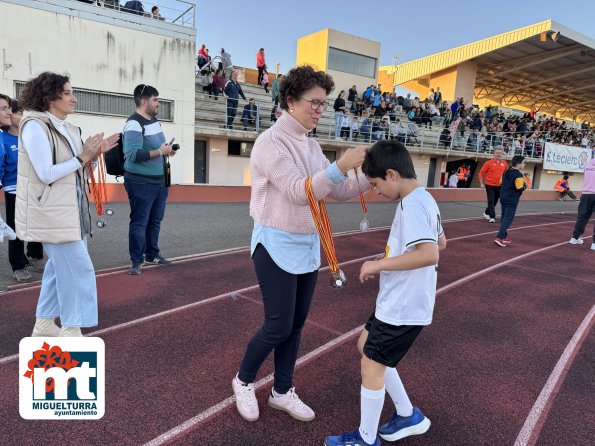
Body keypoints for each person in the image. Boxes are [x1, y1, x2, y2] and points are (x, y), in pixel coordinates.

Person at [232, 65, 368, 424]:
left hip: (308, 243)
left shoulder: (310, 144)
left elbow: (335, 190)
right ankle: (243, 380)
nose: (320, 110)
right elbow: (297, 191)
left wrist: (372, 176)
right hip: (274, 242)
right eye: (315, 102)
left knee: (295, 325)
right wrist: (340, 165)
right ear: (290, 101)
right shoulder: (270, 142)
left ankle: (281, 390)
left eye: (325, 104)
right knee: (277, 325)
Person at [324, 140, 446, 446]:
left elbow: (431, 253)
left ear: (391, 174)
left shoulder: (413, 204)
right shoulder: (424, 198)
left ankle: (366, 438)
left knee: (371, 365)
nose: (375, 191)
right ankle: (407, 415)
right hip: (396, 301)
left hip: (403, 306)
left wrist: (379, 265)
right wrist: (389, 259)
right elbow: (440, 242)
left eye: (376, 184)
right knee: (366, 346)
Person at [16, 72, 119, 337]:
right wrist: (84, 155)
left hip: (74, 210)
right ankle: (72, 327)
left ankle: (44, 324)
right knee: (78, 269)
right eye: (68, 93)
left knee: (56, 268)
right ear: (50, 96)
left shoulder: (70, 128)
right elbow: (45, 173)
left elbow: (78, 168)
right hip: (52, 212)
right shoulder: (35, 125)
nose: (74, 98)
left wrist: (93, 156)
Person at [123, 84, 177, 275]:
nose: (158, 104)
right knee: (140, 222)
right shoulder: (133, 124)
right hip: (140, 182)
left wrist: (166, 151)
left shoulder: (154, 121)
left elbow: (156, 149)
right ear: (144, 101)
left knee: (155, 221)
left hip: (159, 181)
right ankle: (136, 260)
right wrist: (159, 151)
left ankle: (152, 254)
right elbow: (132, 154)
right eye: (155, 100)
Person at [1, 97, 45, 283]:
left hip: (34, 190)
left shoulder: (29, 137)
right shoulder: (3, 139)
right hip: (14, 192)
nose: (22, 116)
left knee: (37, 225)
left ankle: (34, 256)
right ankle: (18, 265)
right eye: (20, 113)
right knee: (17, 229)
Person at [493, 156, 527, 247]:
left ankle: (504, 236)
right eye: (523, 163)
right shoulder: (518, 175)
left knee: (504, 217)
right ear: (518, 164)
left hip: (503, 197)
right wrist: (525, 185)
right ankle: (499, 237)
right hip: (512, 199)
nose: (525, 165)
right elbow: (520, 187)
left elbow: (500, 182)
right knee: (508, 219)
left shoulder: (506, 171)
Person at [569, 154, 595, 249]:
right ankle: (594, 244)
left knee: (582, 217)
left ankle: (575, 238)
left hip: (586, 194)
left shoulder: (588, 164)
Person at [479, 148, 508, 223]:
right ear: (494, 154)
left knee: (495, 201)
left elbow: (506, 174)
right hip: (489, 185)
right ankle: (492, 217)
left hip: (499, 186)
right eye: (497, 153)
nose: (498, 154)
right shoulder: (488, 163)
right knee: (491, 201)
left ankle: (486, 212)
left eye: (500, 153)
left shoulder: (504, 163)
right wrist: (481, 183)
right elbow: (481, 173)